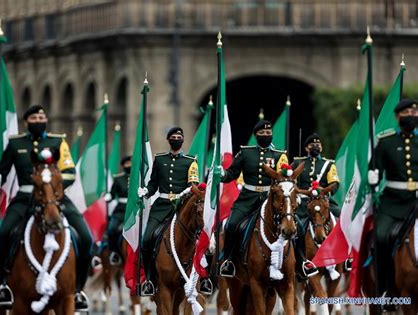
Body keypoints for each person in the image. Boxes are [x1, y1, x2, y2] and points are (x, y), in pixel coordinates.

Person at [0, 105, 93, 310]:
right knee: (3, 234)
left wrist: (51, 187)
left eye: (42, 117)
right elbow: (1, 170)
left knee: (86, 236)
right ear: (26, 122)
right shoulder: (16, 144)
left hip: (55, 198)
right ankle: (3, 285)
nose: (39, 120)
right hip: (24, 198)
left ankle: (79, 289)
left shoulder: (58, 141)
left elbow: (70, 172)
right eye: (35, 117)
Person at [218, 120, 288, 277]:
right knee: (231, 225)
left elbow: (283, 178)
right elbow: (232, 174)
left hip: (271, 200)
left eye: (268, 133)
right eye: (262, 133)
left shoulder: (280, 155)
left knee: (292, 226)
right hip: (247, 199)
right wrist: (221, 174)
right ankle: (228, 260)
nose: (265, 136)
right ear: (256, 135)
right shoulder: (245, 152)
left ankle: (300, 262)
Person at [137, 127, 201, 296]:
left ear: (183, 140)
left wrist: (183, 196)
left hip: (182, 207)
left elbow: (193, 186)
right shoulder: (159, 160)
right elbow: (153, 183)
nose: (176, 139)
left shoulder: (190, 161)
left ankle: (203, 277)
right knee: (146, 240)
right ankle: (150, 279)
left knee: (200, 238)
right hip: (161, 206)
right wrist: (146, 191)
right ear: (168, 140)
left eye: (179, 137)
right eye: (173, 137)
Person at [368, 99, 418, 309]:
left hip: (417, 201)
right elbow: (375, 168)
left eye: (414, 111)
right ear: (398, 117)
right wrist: (372, 176)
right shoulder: (386, 142)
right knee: (380, 237)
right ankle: (385, 289)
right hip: (392, 202)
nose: (411, 115)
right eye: (406, 112)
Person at [292, 133, 340, 279]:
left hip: (324, 202)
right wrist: (301, 191)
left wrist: (322, 191)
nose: (316, 146)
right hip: (304, 204)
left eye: (318, 144)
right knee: (294, 227)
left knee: (342, 218)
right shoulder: (298, 162)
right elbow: (292, 182)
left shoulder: (329, 164)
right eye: (312, 144)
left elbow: (335, 183)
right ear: (307, 147)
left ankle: (346, 258)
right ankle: (298, 260)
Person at [103, 155, 131, 265]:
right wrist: (108, 196)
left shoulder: (138, 178)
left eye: (131, 163)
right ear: (123, 165)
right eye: (127, 163)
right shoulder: (118, 179)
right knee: (111, 229)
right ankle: (114, 253)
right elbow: (112, 194)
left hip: (134, 210)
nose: (129, 165)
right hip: (121, 209)